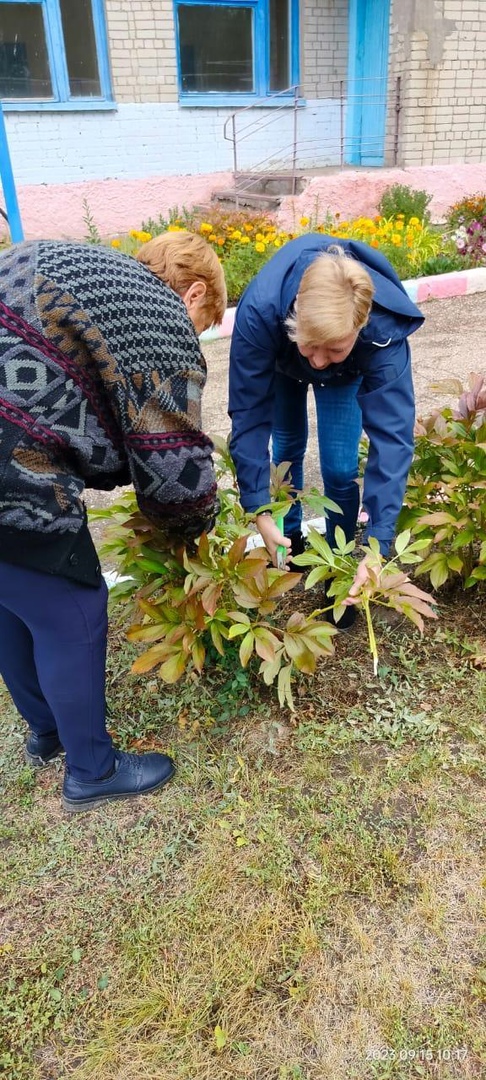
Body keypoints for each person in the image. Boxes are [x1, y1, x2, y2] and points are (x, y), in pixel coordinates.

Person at [0, 231, 226, 812]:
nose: (194, 338)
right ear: (194, 294)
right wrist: (195, 528)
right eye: (203, 324)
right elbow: (172, 469)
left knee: (11, 595)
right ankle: (92, 772)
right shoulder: (155, 313)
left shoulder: (79, 266)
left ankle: (47, 732)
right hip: (9, 474)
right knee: (72, 609)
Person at [228, 234, 424, 626]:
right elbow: (248, 416)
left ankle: (336, 570)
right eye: (312, 346)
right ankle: (291, 547)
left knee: (339, 467)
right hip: (282, 359)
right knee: (286, 449)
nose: (318, 362)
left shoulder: (381, 333)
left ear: (361, 325)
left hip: (348, 373)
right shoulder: (261, 312)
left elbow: (393, 438)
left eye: (333, 348)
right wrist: (257, 509)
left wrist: (378, 548)